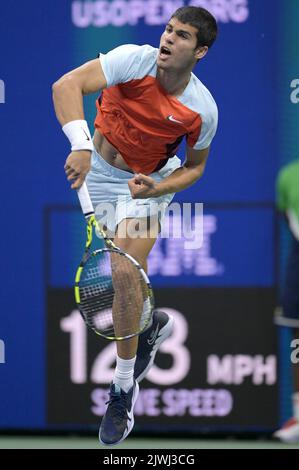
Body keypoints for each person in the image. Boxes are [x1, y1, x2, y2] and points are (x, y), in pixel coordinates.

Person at [53, 6, 218, 445]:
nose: (168, 39)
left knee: (125, 270)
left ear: (199, 51)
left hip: (149, 183)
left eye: (181, 36)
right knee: (118, 279)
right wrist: (80, 145)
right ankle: (148, 328)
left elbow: (196, 168)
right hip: (101, 178)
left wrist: (153, 189)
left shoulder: (201, 109)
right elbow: (66, 85)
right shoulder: (132, 59)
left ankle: (122, 388)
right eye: (168, 30)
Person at [274, 159, 299, 443]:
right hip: (297, 271)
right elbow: (285, 216)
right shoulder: (288, 175)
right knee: (298, 339)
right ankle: (298, 414)